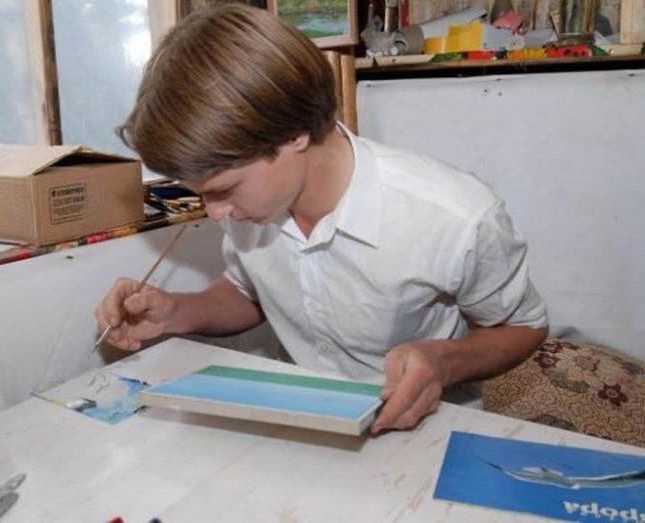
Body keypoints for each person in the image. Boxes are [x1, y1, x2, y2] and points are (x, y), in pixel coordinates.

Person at [95, 3, 548, 433]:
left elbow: (524, 327)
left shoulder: (454, 216)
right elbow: (250, 292)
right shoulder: (251, 205)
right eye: (201, 195)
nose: (215, 214)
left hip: (420, 432)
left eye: (224, 189)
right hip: (299, 422)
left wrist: (443, 362)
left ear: (293, 133)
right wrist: (177, 312)